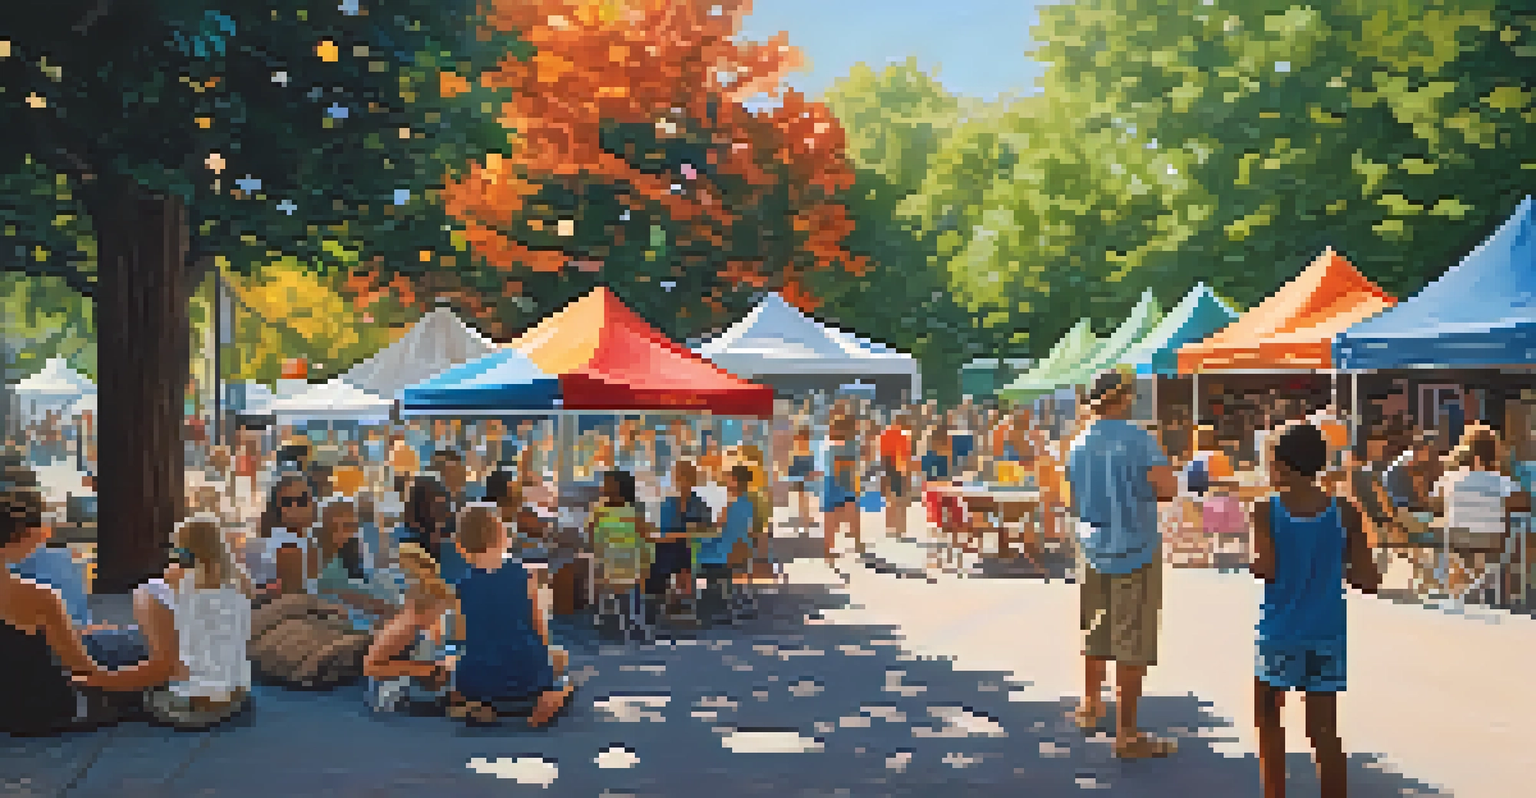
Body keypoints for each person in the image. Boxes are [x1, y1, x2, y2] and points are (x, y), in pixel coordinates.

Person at [1250, 423, 1380, 798]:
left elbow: (1265, 567)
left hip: (1278, 633)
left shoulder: (1265, 510)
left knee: (1269, 720)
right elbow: (1367, 579)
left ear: (1284, 467)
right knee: (1324, 731)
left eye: (1269, 464)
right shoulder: (1344, 510)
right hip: (1326, 634)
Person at [1065, 368, 1179, 759]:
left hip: (1092, 544)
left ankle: (1090, 704)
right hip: (1135, 546)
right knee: (1133, 640)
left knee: (1095, 628)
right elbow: (1167, 489)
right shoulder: (1139, 439)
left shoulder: (1078, 442)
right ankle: (1127, 734)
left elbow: (1072, 496)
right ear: (1126, 397)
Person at [446, 505, 573, 727]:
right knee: (562, 665)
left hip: (478, 676)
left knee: (460, 667)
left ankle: (480, 705)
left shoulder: (461, 586)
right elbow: (539, 630)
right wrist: (547, 659)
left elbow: (461, 636)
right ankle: (550, 699)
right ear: (504, 535)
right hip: (526, 672)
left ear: (460, 545)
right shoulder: (525, 577)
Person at [126, 515, 256, 729]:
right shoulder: (242, 580)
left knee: (147, 593)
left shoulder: (177, 575)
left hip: (193, 703)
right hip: (235, 693)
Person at [1430, 425, 1531, 604]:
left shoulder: (1448, 478)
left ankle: (1460, 582)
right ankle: (1507, 590)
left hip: (1455, 540)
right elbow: (1524, 504)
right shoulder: (1502, 482)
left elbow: (1434, 503)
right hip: (1490, 542)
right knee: (1517, 530)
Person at [363, 543, 461, 714]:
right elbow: (371, 667)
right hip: (407, 691)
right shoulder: (406, 620)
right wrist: (424, 669)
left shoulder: (451, 604)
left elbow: (460, 643)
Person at [589, 470, 654, 639]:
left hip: (628, 563)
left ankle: (632, 622)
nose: (603, 488)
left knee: (629, 583)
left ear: (619, 487)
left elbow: (646, 540)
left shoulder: (633, 512)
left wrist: (646, 565)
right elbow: (592, 541)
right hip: (608, 562)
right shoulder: (598, 512)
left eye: (607, 484)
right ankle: (621, 621)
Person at [646, 460, 711, 621]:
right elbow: (664, 531)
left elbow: (704, 529)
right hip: (671, 547)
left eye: (685, 478)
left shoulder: (698, 504)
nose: (682, 482)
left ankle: (675, 600)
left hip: (690, 549)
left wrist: (682, 534)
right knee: (658, 558)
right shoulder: (668, 503)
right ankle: (669, 601)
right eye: (679, 478)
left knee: (675, 557)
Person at [696, 465, 755, 625]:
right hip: (738, 550)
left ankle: (709, 604)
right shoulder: (748, 504)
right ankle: (720, 602)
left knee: (695, 552)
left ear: (735, 481)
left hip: (722, 552)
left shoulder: (729, 505)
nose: (725, 481)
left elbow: (716, 528)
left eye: (728, 478)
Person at [244, 473, 317, 595]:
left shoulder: (305, 539)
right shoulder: (287, 545)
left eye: (302, 499)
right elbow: (294, 597)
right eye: (288, 502)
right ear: (278, 508)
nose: (295, 506)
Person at [880, 415, 914, 539]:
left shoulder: (885, 434)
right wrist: (908, 474)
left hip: (888, 468)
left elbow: (882, 456)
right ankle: (900, 528)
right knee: (901, 501)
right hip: (900, 470)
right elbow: (906, 457)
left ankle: (890, 526)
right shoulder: (904, 436)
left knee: (890, 500)